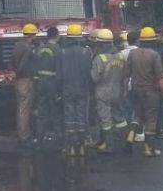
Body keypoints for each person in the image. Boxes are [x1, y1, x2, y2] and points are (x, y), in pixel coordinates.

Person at [126, 27, 163, 157]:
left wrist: (124, 90)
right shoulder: (154, 54)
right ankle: (149, 148)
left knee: (138, 115)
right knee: (151, 119)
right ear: (152, 40)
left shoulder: (132, 54)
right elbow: (160, 77)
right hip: (151, 92)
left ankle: (130, 136)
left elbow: (126, 74)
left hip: (136, 90)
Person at [90, 29, 129, 154]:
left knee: (105, 119)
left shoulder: (99, 58)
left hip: (103, 91)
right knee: (120, 118)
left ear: (100, 44)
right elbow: (125, 75)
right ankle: (125, 143)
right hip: (117, 91)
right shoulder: (120, 56)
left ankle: (109, 145)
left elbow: (94, 77)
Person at [59, 24, 94, 156]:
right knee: (81, 116)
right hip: (82, 88)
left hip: (67, 88)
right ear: (79, 38)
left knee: (69, 117)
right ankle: (82, 145)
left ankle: (70, 147)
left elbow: (59, 73)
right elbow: (89, 72)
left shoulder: (62, 52)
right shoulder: (86, 52)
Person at [31, 27, 63, 149]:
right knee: (55, 112)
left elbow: (34, 69)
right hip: (53, 84)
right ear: (56, 36)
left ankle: (39, 139)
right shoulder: (58, 50)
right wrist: (59, 89)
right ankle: (59, 139)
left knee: (41, 112)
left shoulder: (39, 49)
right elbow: (59, 71)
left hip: (40, 84)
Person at [12, 23, 39, 145]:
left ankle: (22, 134)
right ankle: (24, 136)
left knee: (21, 108)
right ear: (33, 35)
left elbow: (11, 63)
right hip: (26, 80)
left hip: (18, 81)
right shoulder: (28, 48)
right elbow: (23, 65)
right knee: (25, 109)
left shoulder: (17, 45)